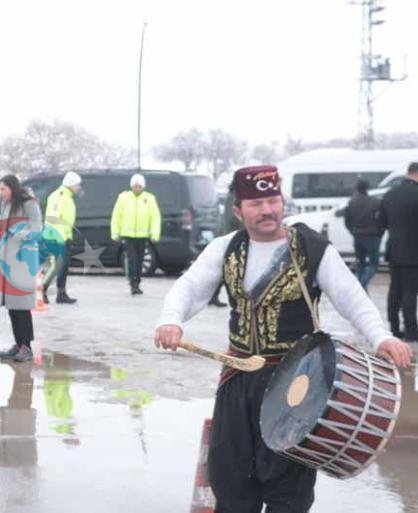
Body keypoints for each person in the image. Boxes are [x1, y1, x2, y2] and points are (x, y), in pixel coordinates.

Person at [155, 165, 413, 513]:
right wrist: (171, 320)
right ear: (238, 211)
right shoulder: (225, 248)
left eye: (273, 201)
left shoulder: (312, 248)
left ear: (282, 202)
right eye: (256, 204)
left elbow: (352, 298)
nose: (267, 211)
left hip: (297, 385)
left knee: (288, 490)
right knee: (230, 478)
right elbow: (188, 287)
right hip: (237, 381)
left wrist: (382, 337)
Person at [0, 174, 42, 363]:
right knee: (12, 306)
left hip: (23, 260)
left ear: (12, 188)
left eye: (3, 189)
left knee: (22, 307)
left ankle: (26, 346)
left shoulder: (28, 203)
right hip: (8, 259)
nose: (1, 193)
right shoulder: (6, 204)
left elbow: (36, 229)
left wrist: (15, 234)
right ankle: (18, 342)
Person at [379, 162, 418, 341]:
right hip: (414, 251)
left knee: (395, 289)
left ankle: (394, 328)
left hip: (394, 249)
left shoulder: (390, 194)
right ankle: (411, 330)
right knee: (410, 291)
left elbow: (381, 223)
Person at [110, 173, 161, 295]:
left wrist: (154, 233)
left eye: (139, 186)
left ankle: (137, 282)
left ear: (143, 186)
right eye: (135, 186)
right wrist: (115, 232)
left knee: (139, 260)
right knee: (131, 259)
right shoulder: (123, 198)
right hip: (127, 235)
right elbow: (116, 216)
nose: (137, 188)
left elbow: (155, 217)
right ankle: (132, 283)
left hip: (142, 236)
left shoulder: (149, 198)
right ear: (131, 186)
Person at [41, 171, 81, 304]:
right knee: (55, 267)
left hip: (65, 237)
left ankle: (61, 294)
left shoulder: (68, 197)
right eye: (77, 184)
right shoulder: (58, 196)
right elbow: (53, 218)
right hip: (57, 238)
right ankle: (42, 290)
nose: (79, 187)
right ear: (71, 184)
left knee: (63, 267)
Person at [343, 179, 383, 292]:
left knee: (360, 263)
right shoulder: (376, 202)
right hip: (373, 236)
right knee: (374, 264)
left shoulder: (352, 202)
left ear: (357, 188)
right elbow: (382, 219)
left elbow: (347, 220)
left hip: (358, 236)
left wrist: (352, 231)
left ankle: (361, 289)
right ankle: (361, 285)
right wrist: (380, 232)